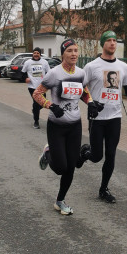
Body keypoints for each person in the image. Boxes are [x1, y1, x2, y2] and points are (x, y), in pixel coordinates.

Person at [32, 38, 95, 215]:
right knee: (60, 167)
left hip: (74, 125)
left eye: (76, 51)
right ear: (63, 54)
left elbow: (84, 92)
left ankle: (60, 201)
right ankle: (48, 152)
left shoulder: (81, 73)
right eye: (70, 51)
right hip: (56, 126)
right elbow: (37, 93)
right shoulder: (54, 73)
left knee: (71, 166)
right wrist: (50, 105)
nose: (74, 54)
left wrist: (90, 102)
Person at [77, 31, 127, 203]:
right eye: (109, 40)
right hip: (97, 118)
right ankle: (84, 153)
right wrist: (90, 103)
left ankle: (103, 189)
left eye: (114, 40)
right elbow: (81, 88)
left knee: (111, 154)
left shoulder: (123, 67)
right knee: (97, 156)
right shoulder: (91, 66)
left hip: (115, 117)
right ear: (102, 44)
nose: (112, 43)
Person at [22, 48, 50, 129]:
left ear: (40, 54)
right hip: (32, 87)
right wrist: (25, 78)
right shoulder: (28, 63)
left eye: (38, 53)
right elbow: (23, 73)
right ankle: (36, 121)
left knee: (41, 104)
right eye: (35, 53)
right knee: (36, 103)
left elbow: (49, 73)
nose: (36, 54)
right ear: (32, 54)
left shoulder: (44, 62)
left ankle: (35, 110)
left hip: (42, 87)